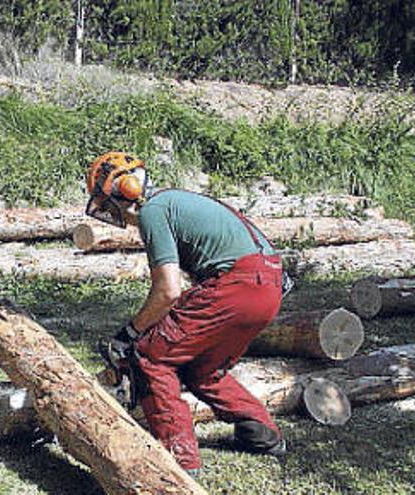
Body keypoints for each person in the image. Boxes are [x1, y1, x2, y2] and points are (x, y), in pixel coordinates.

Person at [86, 151, 287, 478]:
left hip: (237, 284)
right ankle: (261, 433)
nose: (108, 211)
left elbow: (168, 291)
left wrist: (130, 334)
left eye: (107, 202)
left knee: (152, 356)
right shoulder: (176, 201)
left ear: (124, 191)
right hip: (268, 286)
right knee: (202, 367)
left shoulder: (154, 211)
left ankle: (179, 460)